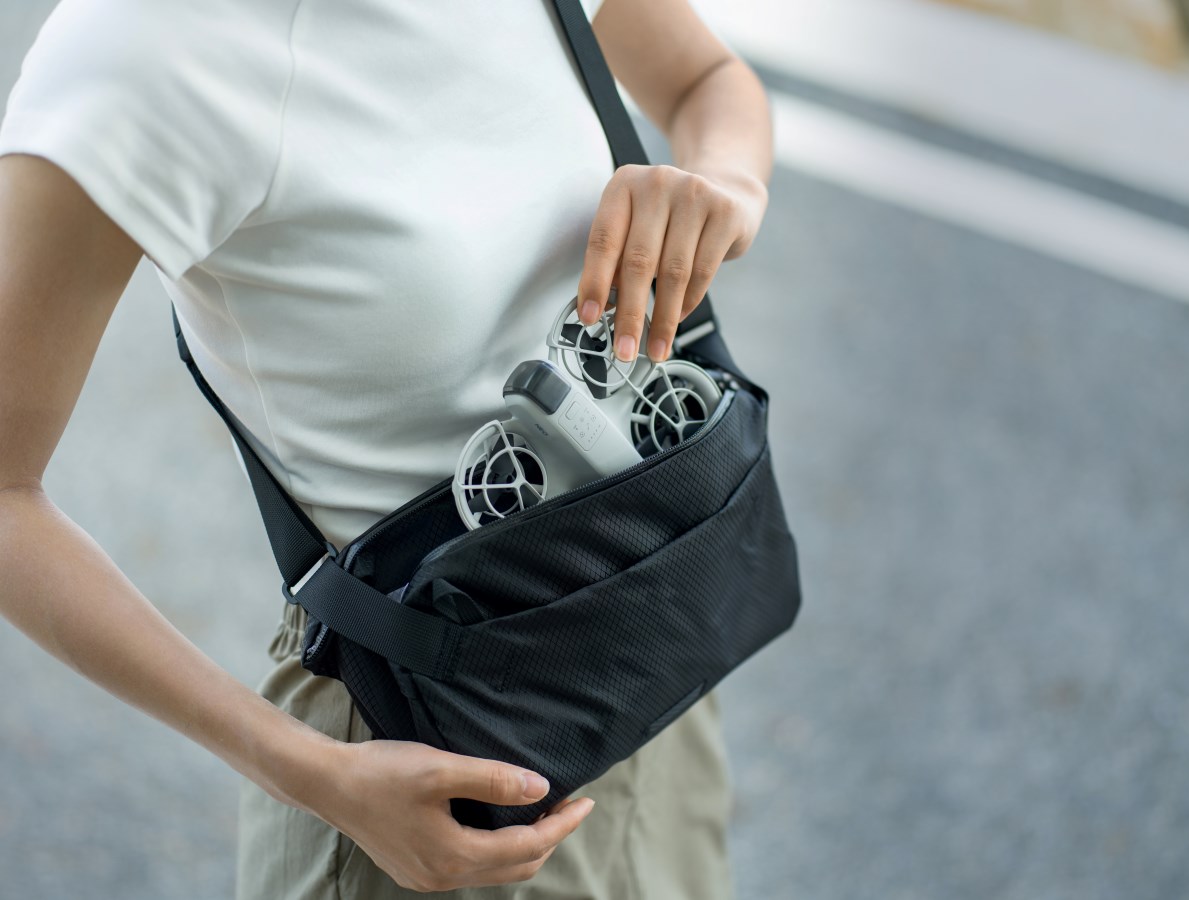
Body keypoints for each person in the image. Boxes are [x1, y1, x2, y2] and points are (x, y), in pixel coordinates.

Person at [0, 0, 772, 896]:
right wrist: (313, 773)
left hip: (663, 648)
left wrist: (725, 190)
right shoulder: (146, 46)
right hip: (424, 769)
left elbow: (706, 80)